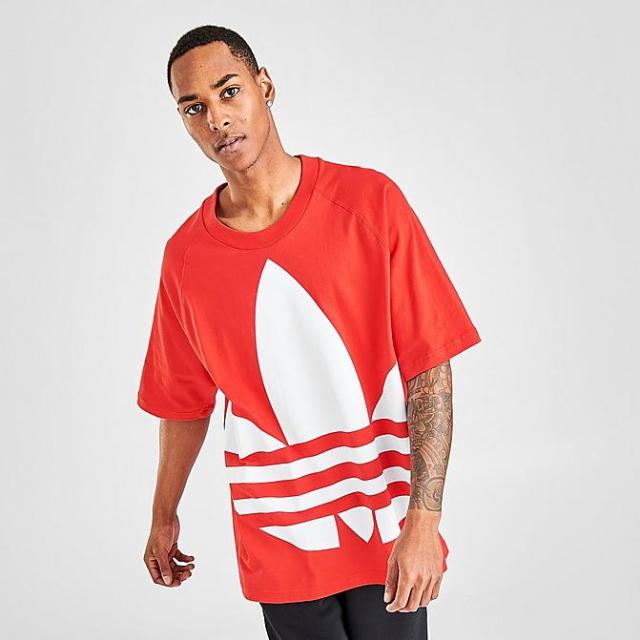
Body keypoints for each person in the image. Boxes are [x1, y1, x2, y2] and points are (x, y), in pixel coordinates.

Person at [138, 24, 481, 640]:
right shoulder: (186, 258)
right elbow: (183, 401)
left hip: (384, 526)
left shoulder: (370, 203)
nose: (217, 118)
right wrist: (164, 515)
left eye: (229, 91)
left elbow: (429, 367)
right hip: (279, 532)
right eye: (194, 107)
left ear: (265, 87)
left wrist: (425, 520)